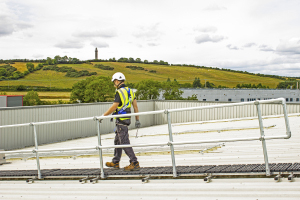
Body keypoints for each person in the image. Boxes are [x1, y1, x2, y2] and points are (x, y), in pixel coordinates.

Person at [103, 72, 141, 171]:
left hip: (121, 121)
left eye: (113, 82)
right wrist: (137, 120)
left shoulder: (119, 92)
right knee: (118, 140)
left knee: (124, 142)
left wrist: (103, 116)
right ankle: (115, 162)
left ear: (116, 81)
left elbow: (114, 107)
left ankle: (134, 162)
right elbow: (135, 107)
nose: (114, 84)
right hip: (127, 119)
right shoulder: (131, 91)